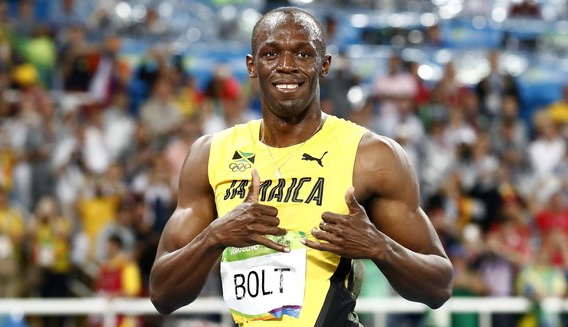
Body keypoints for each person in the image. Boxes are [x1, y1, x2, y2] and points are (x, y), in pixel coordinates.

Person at [149, 7, 453, 326]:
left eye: (303, 54)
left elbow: (439, 285)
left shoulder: (371, 156)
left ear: (324, 65)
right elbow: (162, 294)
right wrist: (215, 236)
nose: (287, 66)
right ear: (252, 66)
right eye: (271, 53)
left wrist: (380, 247)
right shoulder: (210, 154)